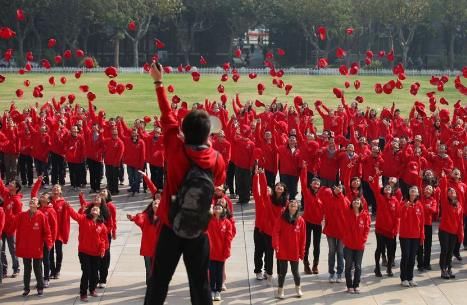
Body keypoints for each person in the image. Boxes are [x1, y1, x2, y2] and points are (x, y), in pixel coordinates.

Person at [144, 62, 225, 305]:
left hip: (171, 223)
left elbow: (167, 116)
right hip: (199, 227)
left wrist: (159, 82)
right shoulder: (216, 158)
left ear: (184, 132)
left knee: (159, 281)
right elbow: (218, 182)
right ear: (207, 135)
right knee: (200, 284)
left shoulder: (175, 149)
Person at [66, 202, 107, 302]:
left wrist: (102, 250)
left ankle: (92, 290)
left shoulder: (102, 225)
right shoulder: (83, 219)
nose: (94, 210)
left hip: (96, 253)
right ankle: (83, 293)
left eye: (96, 209)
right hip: (84, 251)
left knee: (94, 273)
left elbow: (103, 240)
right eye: (93, 209)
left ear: (99, 213)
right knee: (86, 272)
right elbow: (75, 215)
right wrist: (68, 207)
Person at [14, 197, 53, 296]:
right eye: (31, 200)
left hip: (37, 248)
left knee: (38, 269)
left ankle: (40, 288)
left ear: (38, 205)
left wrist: (49, 243)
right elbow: (12, 223)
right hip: (25, 247)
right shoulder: (22, 215)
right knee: (27, 270)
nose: (32, 201)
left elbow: (47, 232)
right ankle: (26, 288)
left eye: (34, 200)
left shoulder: (42, 216)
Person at [272, 200, 305, 299]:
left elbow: (303, 238)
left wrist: (302, 252)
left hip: (294, 250)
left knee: (296, 272)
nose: (292, 207)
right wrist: (276, 245)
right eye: (291, 206)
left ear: (297, 208)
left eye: (294, 206)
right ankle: (280, 290)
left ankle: (298, 288)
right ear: (288, 207)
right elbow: (275, 232)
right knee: (283, 272)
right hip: (283, 249)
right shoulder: (281, 218)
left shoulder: (300, 220)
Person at [127, 194, 160, 286]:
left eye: (158, 203)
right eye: (154, 203)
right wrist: (133, 218)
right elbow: (139, 218)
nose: (156, 204)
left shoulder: (165, 218)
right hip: (148, 249)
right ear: (151, 206)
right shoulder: (146, 217)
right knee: (149, 270)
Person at [438, 172, 464, 279]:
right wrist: (444, 178)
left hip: (454, 231)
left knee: (450, 251)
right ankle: (443, 269)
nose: (451, 191)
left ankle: (449, 268)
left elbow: (460, 221)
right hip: (444, 230)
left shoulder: (459, 205)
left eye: (453, 191)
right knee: (445, 249)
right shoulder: (445, 202)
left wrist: (460, 233)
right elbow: (443, 189)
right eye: (450, 191)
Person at [343, 198, 370, 294]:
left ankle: (356, 285)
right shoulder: (347, 213)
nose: (356, 203)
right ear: (352, 203)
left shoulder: (365, 215)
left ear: (360, 204)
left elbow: (367, 229)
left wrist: (363, 240)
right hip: (349, 245)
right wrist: (346, 239)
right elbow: (344, 228)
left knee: (358, 266)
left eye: (358, 202)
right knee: (348, 266)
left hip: (359, 245)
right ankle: (349, 286)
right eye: (354, 201)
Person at [322, 184, 348, 283]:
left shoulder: (345, 199)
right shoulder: (330, 199)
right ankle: (331, 272)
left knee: (340, 252)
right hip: (331, 230)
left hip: (342, 231)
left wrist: (340, 194)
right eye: (337, 188)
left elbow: (344, 205)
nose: (338, 189)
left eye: (341, 188)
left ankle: (340, 273)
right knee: (332, 252)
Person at [300, 163, 323, 274]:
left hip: (318, 223)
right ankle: (306, 264)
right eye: (314, 182)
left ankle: (315, 264)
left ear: (319, 185)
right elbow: (303, 181)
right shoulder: (307, 192)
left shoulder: (322, 195)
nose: (315, 184)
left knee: (316, 245)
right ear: (311, 184)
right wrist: (304, 168)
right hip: (307, 222)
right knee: (307, 244)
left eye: (317, 183)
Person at [207, 203, 233, 301]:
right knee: (212, 272)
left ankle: (218, 291)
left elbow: (228, 238)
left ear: (223, 210)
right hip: (210, 252)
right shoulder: (208, 221)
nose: (217, 209)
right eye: (215, 208)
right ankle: (212, 290)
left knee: (219, 273)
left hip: (221, 252)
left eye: (219, 207)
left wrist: (227, 251)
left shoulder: (227, 223)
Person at [399, 186, 424, 287]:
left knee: (412, 258)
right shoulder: (403, 203)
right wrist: (405, 206)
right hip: (405, 235)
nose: (413, 192)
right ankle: (403, 278)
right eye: (411, 190)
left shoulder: (419, 205)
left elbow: (422, 222)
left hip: (416, 235)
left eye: (415, 190)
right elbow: (400, 216)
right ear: (409, 193)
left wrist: (422, 235)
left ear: (417, 193)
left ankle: (410, 277)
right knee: (406, 256)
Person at [0, 179, 22, 278]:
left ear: (16, 188)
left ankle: (16, 268)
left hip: (11, 229)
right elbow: (1, 185)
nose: (9, 184)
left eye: (12, 183)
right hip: (2, 228)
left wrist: (9, 216)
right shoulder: (6, 194)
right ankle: (4, 269)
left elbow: (18, 216)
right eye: (10, 183)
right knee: (2, 250)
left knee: (13, 250)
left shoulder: (17, 200)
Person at [49, 184, 70, 279]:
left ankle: (57, 270)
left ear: (60, 191)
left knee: (58, 251)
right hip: (49, 231)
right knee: (49, 252)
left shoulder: (63, 203)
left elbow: (66, 219)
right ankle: (52, 270)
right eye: (54, 188)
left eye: (58, 188)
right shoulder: (48, 201)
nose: (56, 189)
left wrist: (65, 232)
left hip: (59, 232)